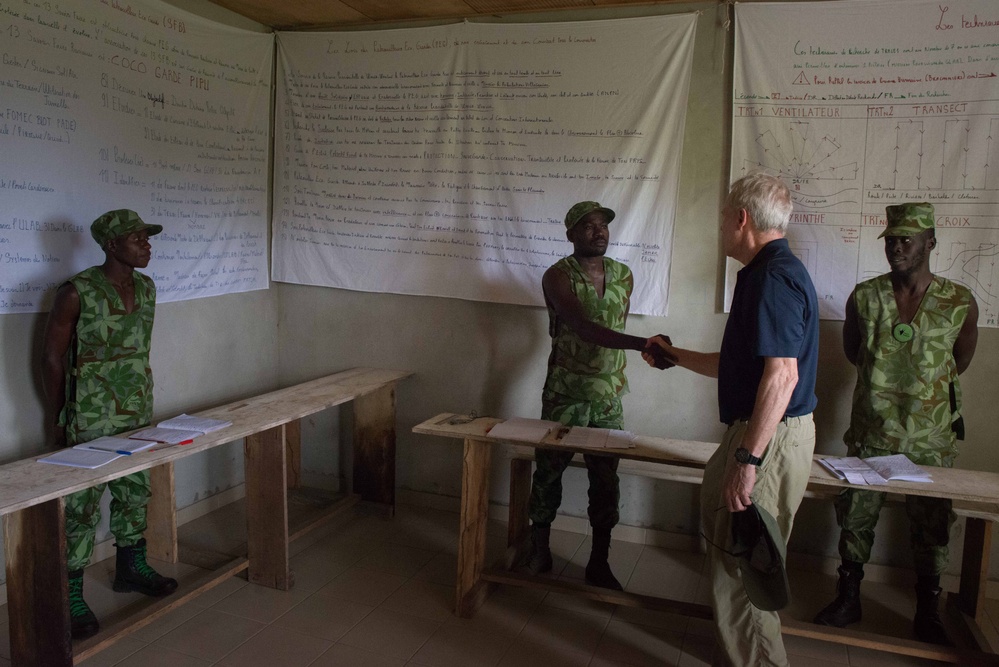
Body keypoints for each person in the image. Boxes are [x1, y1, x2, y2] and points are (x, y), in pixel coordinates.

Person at [646, 173, 819, 666]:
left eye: (724, 216)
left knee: (745, 569)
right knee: (732, 553)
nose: (721, 225)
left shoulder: (771, 278)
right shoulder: (769, 272)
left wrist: (748, 459)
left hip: (767, 437)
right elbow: (741, 365)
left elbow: (782, 377)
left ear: (741, 219)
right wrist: (674, 355)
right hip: (763, 432)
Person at [813, 202, 978, 645]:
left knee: (932, 523)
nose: (896, 247)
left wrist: (922, 391)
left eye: (907, 239)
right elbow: (855, 353)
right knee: (856, 514)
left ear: (931, 244)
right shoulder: (865, 297)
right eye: (891, 239)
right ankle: (848, 597)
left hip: (931, 435)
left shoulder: (959, 300)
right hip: (873, 430)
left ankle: (928, 610)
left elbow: (958, 360)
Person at [42, 209, 178, 640]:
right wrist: (58, 415)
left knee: (134, 490)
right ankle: (71, 594)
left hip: (136, 409)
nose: (147, 245)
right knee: (81, 505)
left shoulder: (148, 288)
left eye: (147, 238)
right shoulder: (76, 292)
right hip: (89, 414)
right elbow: (51, 356)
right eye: (138, 239)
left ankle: (131, 568)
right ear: (112, 245)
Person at [520, 201, 669, 590]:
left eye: (603, 225)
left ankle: (599, 561)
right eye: (588, 226)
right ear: (570, 234)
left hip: (608, 397)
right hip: (565, 394)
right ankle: (539, 549)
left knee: (606, 478)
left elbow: (612, 326)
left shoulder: (623, 274)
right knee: (549, 471)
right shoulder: (558, 276)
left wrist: (645, 346)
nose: (599, 231)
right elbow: (584, 327)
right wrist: (645, 343)